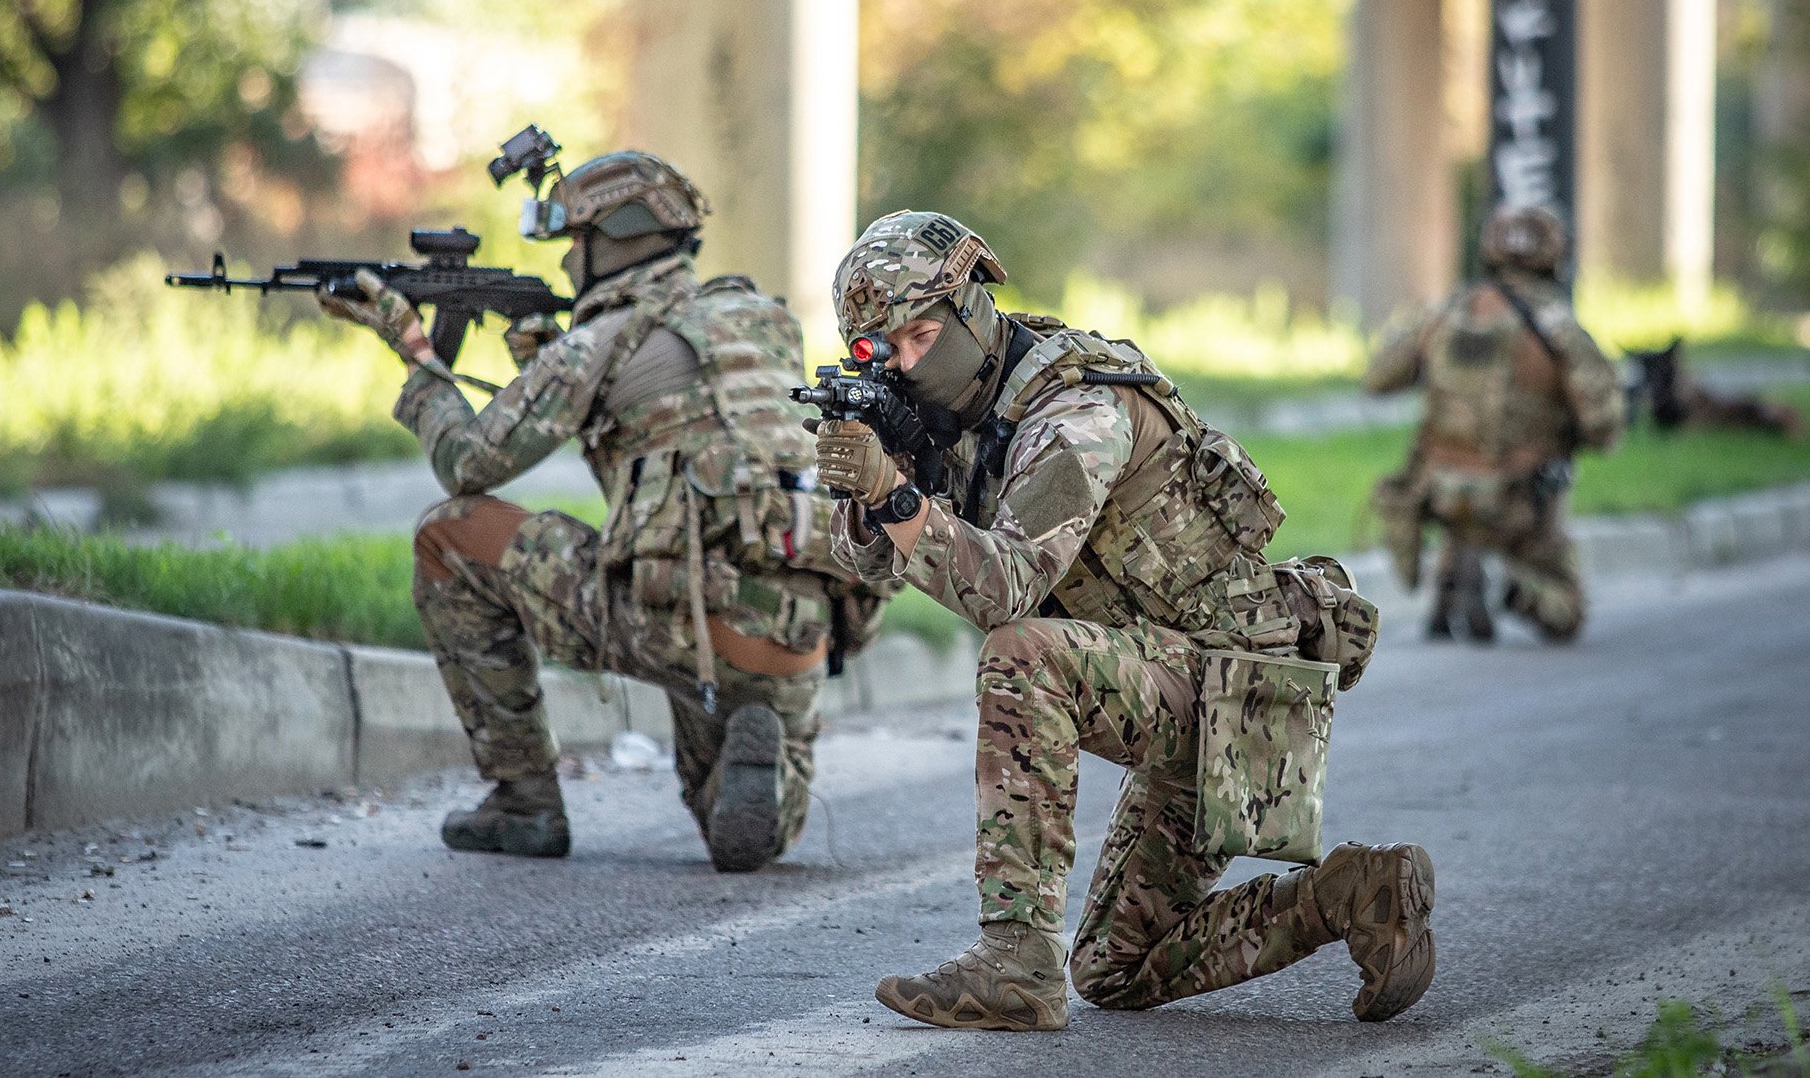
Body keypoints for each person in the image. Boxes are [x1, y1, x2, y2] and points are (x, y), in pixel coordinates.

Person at [815, 210, 1434, 1031]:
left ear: (973, 311)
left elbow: (1006, 589)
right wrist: (875, 481)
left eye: (919, 337)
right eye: (883, 351)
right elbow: (866, 563)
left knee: (1022, 652)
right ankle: (1359, 893)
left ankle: (1015, 961)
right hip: (1179, 680)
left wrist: (895, 494)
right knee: (1115, 967)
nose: (903, 364)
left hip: (1239, 697)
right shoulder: (962, 411)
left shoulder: (1075, 413)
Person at [322, 150, 887, 872]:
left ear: (610, 239)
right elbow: (669, 453)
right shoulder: (762, 321)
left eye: (574, 245)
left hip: (676, 617)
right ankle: (760, 747)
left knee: (447, 534)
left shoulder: (596, 346)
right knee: (741, 825)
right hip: (797, 629)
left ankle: (524, 801)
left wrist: (415, 353)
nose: (564, 268)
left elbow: (469, 462)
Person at [1362, 204, 1624, 643]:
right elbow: (1603, 424)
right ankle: (1511, 586)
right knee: (1568, 615)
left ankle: (1453, 576)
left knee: (1456, 502)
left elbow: (1377, 379)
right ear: (1555, 257)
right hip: (1518, 500)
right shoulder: (1558, 328)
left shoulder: (1444, 316)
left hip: (1440, 494)